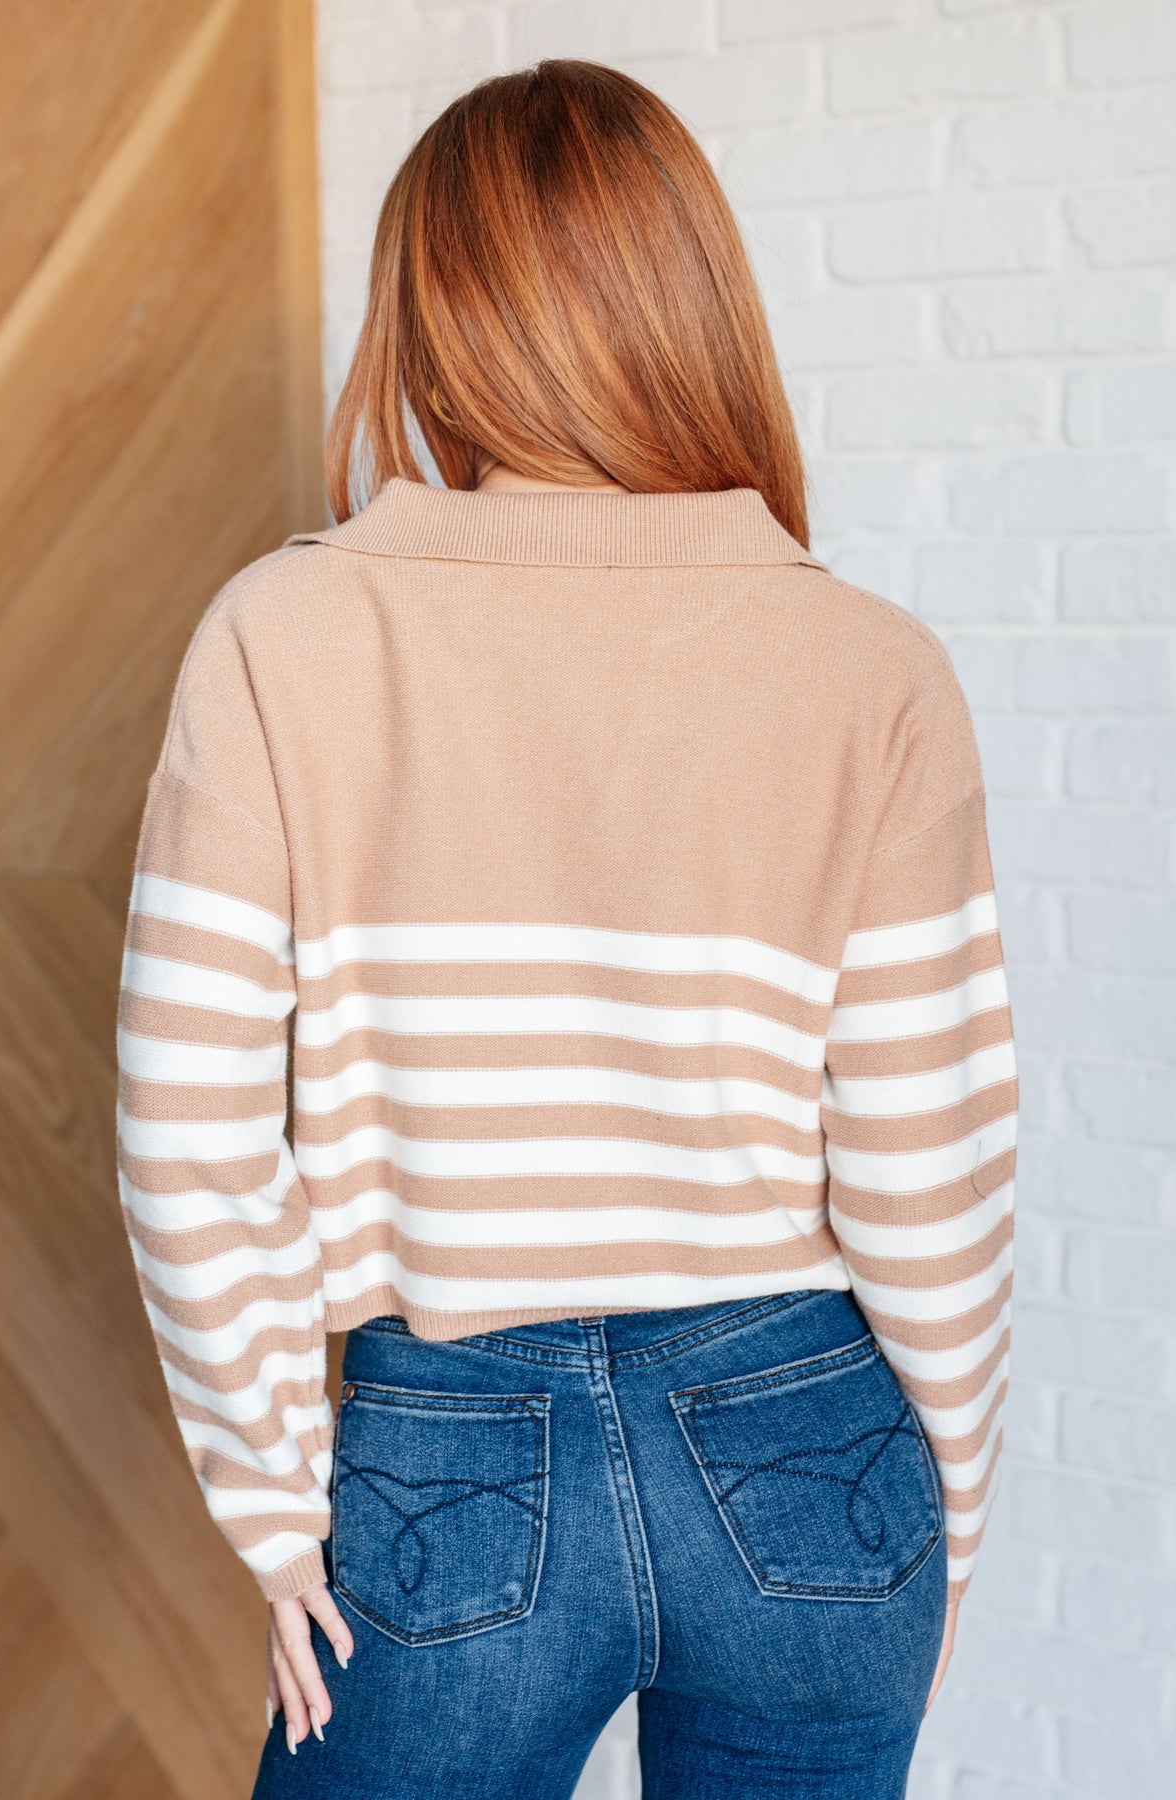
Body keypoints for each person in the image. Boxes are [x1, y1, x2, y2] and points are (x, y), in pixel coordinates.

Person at [114, 58, 1016, 1800]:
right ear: (693, 304)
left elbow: (187, 1131)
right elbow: (931, 1159)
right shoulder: (872, 668)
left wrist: (278, 1507)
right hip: (812, 1443)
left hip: (450, 1454)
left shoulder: (281, 637)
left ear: (429, 319)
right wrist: (949, 1509)